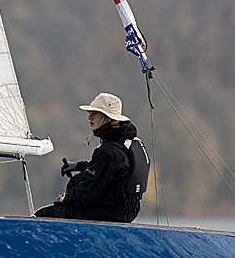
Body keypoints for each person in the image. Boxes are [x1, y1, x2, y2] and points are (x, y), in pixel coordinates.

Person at [34, 92, 150, 223]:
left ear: (108, 118)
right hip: (130, 211)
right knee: (77, 181)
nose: (89, 117)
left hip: (110, 213)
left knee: (43, 215)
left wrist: (64, 198)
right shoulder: (130, 142)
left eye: (94, 113)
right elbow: (110, 169)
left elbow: (85, 195)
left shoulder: (109, 151)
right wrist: (79, 166)